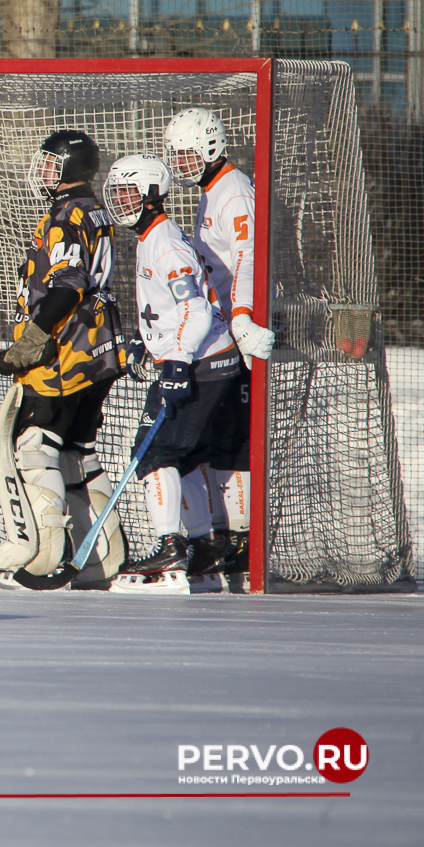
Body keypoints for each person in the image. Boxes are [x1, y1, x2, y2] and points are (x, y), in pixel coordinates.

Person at [0, 130, 128, 590]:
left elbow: (68, 282)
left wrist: (36, 335)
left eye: (50, 163)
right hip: (100, 344)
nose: (42, 171)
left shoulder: (66, 214)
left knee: (34, 444)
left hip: (67, 346)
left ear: (69, 167)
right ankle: (104, 553)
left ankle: (46, 554)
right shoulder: (95, 209)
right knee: (76, 452)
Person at [101, 154, 247, 595]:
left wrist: (178, 359)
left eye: (128, 192)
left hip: (200, 362)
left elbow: (195, 308)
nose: (120, 201)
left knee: (154, 453)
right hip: (206, 359)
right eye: (118, 193)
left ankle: (171, 547)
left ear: (150, 197)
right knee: (182, 456)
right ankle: (201, 547)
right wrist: (147, 342)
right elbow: (168, 308)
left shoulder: (164, 243)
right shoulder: (151, 237)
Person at [164, 107, 271, 587]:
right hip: (223, 336)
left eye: (187, 153)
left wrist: (246, 316)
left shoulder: (233, 193)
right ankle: (225, 539)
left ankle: (241, 544)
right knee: (214, 441)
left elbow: (250, 257)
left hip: (238, 336)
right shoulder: (212, 192)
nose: (181, 163)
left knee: (231, 443)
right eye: (176, 156)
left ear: (210, 147)